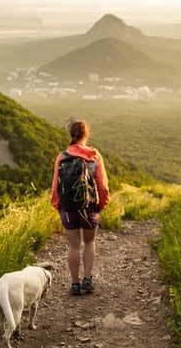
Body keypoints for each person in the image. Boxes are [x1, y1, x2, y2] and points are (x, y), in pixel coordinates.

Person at [51, 119, 110, 295]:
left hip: (68, 207)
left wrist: (58, 205)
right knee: (90, 242)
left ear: (71, 134)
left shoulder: (62, 156)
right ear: (86, 134)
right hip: (90, 206)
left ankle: (75, 284)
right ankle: (87, 279)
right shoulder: (94, 155)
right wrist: (101, 204)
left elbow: (55, 186)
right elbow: (103, 185)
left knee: (74, 246)